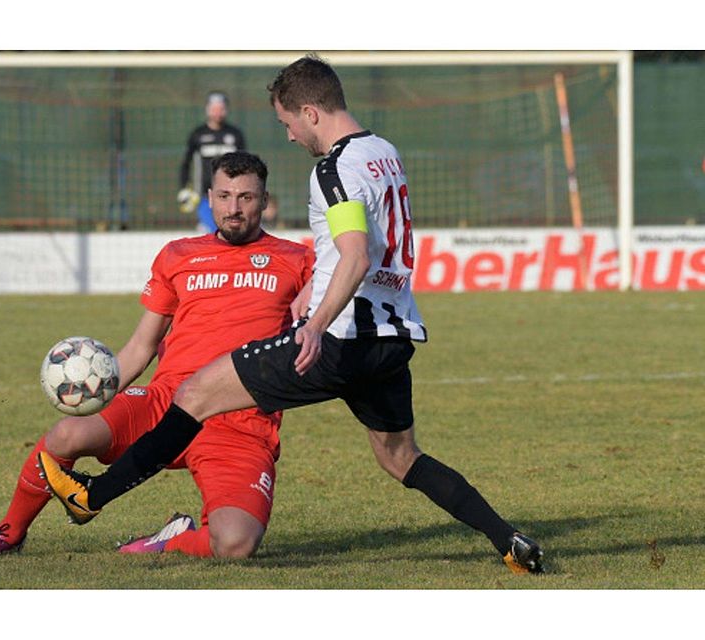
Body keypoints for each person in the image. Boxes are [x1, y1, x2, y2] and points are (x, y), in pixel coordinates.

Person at [41, 55, 545, 575]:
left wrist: (316, 322)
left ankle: (92, 496)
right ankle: (508, 539)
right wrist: (315, 287)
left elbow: (355, 254)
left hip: (342, 338)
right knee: (400, 457)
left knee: (193, 393)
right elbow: (362, 245)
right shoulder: (383, 152)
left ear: (310, 112)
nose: (288, 136)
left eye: (287, 123)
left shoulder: (332, 168)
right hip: (392, 338)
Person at [0, 151, 313, 559]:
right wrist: (96, 387)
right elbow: (142, 346)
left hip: (241, 421)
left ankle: (171, 540)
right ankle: (8, 532)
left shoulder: (298, 261)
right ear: (209, 197)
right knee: (67, 434)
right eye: (224, 196)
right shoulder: (179, 255)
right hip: (167, 401)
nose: (234, 208)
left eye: (246, 197)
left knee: (235, 544)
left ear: (264, 200)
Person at [177, 91, 246, 234]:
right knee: (215, 231)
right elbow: (186, 163)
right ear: (207, 109)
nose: (218, 112)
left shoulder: (235, 134)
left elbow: (245, 164)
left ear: (226, 110)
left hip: (232, 195)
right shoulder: (198, 135)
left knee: (232, 231)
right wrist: (184, 187)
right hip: (205, 196)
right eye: (214, 108)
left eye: (221, 108)